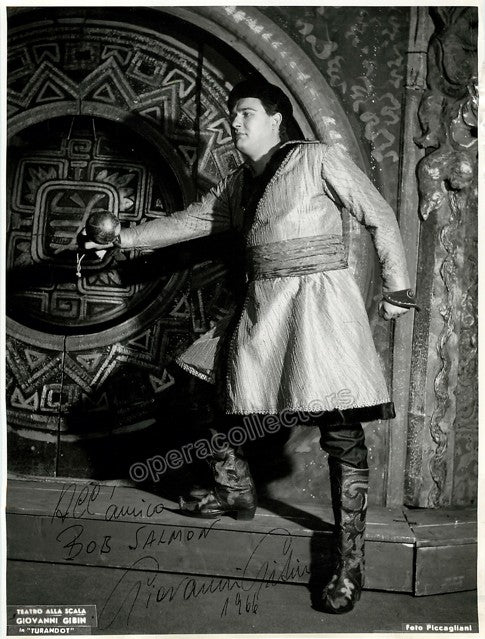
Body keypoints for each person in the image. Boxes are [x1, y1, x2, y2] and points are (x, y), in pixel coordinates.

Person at [81, 78, 418, 614]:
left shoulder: (316, 158)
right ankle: (235, 489)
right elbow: (191, 222)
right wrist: (121, 237)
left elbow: (377, 213)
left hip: (318, 303)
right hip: (260, 303)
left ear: (276, 119)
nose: (234, 122)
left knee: (340, 431)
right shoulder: (240, 183)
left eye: (246, 112)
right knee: (196, 385)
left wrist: (398, 287)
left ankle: (350, 562)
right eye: (232, 113)